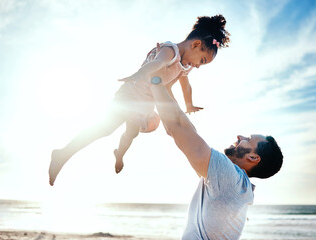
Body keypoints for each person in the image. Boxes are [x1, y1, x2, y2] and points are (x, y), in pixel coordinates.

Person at [49, 14, 231, 186]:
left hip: (144, 105)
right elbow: (158, 63)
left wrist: (188, 105)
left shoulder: (184, 65)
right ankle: (62, 154)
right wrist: (140, 73)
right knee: (106, 128)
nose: (199, 66)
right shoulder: (170, 51)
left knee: (131, 133)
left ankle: (119, 154)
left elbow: (184, 85)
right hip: (129, 95)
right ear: (196, 44)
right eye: (203, 60)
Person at [149, 81, 283, 239]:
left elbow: (178, 127)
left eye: (248, 139)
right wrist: (165, 88)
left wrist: (155, 80)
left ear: (253, 158)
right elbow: (181, 131)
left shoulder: (229, 176)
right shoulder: (237, 186)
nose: (240, 136)